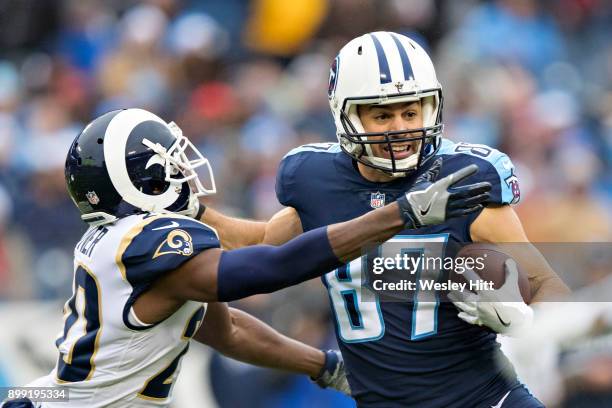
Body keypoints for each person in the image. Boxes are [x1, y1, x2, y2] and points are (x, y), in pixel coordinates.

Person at [2, 107, 489, 408]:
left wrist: (323, 365)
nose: (185, 173)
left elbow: (227, 330)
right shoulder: (147, 241)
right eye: (171, 164)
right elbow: (268, 269)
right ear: (138, 180)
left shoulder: (125, 243)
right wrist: (398, 215)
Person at [198, 32, 570, 407]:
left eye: (410, 112)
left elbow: (549, 287)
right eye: (382, 115)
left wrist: (525, 321)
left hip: (485, 399)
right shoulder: (316, 180)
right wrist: (192, 211)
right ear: (346, 113)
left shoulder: (465, 179)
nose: (400, 128)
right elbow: (262, 244)